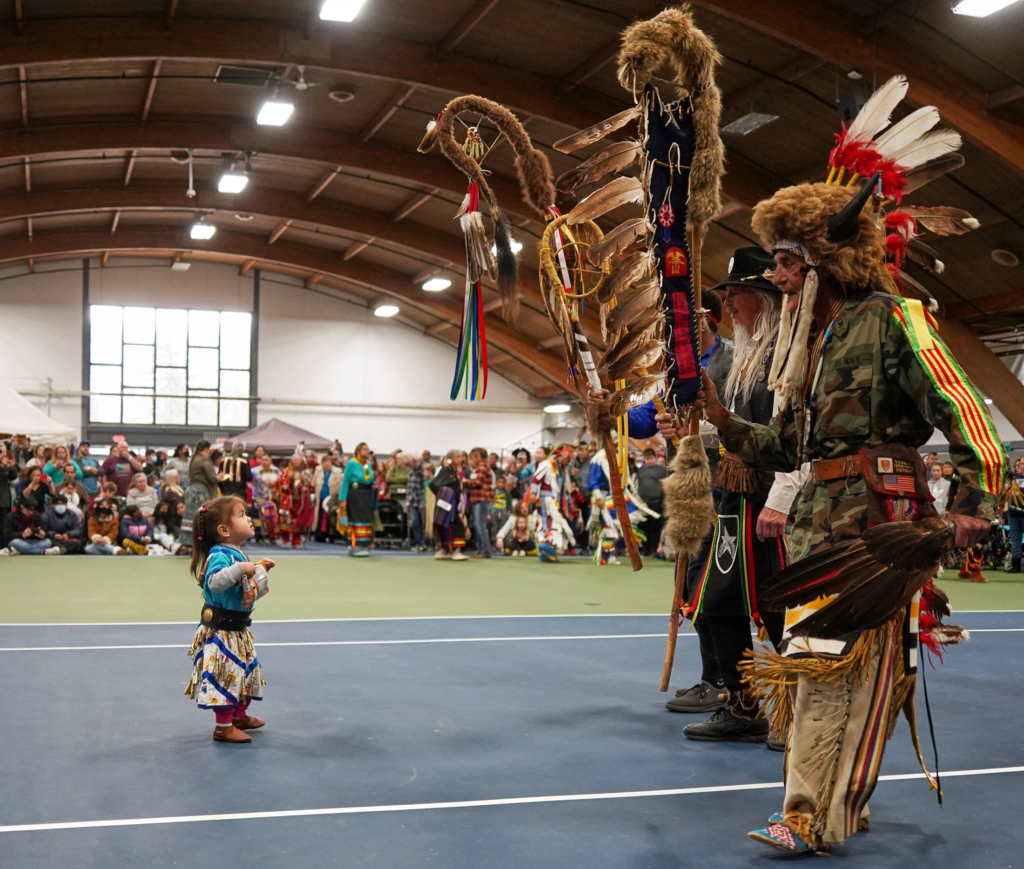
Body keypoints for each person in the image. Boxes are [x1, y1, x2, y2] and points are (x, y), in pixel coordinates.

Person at [684, 157, 1001, 851]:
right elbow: (794, 443)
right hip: (815, 532)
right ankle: (831, 806)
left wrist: (975, 501)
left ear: (826, 261)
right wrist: (722, 419)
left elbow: (965, 409)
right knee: (826, 670)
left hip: (877, 534)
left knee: (836, 671)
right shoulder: (815, 342)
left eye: (789, 262)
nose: (779, 277)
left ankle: (807, 814)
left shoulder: (892, 319)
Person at [661, 247, 797, 741]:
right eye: (728, 294)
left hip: (772, 500)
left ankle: (791, 709)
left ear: (763, 296)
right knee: (716, 604)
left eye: (737, 293)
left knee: (782, 607)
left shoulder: (789, 350)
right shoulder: (741, 357)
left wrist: (782, 498)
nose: (730, 302)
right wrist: (693, 431)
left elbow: (793, 435)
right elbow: (733, 429)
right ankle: (743, 705)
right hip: (733, 500)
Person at [185, 496, 274, 743]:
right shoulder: (219, 554)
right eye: (242, 515)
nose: (249, 518)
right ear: (224, 530)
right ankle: (223, 727)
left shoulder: (234, 552)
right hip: (222, 631)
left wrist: (260, 570)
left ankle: (238, 716)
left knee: (243, 673)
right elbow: (214, 582)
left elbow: (245, 588)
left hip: (237, 630)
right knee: (226, 675)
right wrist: (239, 569)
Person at [430, 450, 470, 560]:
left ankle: (455, 551)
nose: (460, 458)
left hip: (457, 502)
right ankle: (443, 550)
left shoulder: (463, 471)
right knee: (444, 524)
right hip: (446, 504)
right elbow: (434, 484)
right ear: (450, 458)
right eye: (457, 456)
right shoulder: (446, 471)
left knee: (456, 524)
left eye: (461, 456)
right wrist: (445, 494)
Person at [338, 443, 376, 556]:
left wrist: (372, 485)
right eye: (364, 449)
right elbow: (345, 481)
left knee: (365, 519)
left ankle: (364, 545)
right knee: (355, 518)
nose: (367, 451)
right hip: (355, 494)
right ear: (358, 451)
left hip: (366, 495)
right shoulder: (351, 463)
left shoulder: (367, 463)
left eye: (368, 449)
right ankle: (355, 545)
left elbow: (367, 478)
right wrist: (343, 499)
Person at [180, 440, 218, 549]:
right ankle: (200, 542)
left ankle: (187, 542)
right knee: (201, 517)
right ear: (206, 449)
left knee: (190, 516)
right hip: (200, 492)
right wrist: (219, 478)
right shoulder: (204, 460)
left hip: (191, 490)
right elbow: (212, 478)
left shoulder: (194, 458)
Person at [275, 450, 315, 549]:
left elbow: (311, 485)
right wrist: (285, 487)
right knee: (286, 520)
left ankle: (296, 541)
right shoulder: (286, 471)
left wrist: (306, 489)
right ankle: (285, 539)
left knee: (299, 521)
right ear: (292, 461)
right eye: (295, 460)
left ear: (302, 461)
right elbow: (279, 483)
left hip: (300, 501)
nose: (296, 461)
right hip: (288, 500)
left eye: (298, 460)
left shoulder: (306, 472)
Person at [634, 449, 668, 557]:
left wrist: (665, 500)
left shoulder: (661, 470)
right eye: (647, 459)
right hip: (643, 504)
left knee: (655, 527)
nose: (649, 461)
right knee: (644, 527)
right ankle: (645, 549)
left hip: (656, 502)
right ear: (644, 459)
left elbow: (665, 486)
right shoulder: (640, 470)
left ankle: (654, 549)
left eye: (651, 458)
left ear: (655, 458)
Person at [466, 448, 495, 558]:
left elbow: (477, 482)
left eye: (472, 458)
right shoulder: (478, 468)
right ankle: (480, 550)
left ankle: (486, 551)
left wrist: (466, 482)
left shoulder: (482, 467)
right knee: (478, 525)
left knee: (481, 525)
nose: (471, 460)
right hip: (478, 499)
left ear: (478, 457)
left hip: (483, 499)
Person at [312, 454, 342, 542]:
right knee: (319, 516)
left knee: (329, 515)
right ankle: (319, 534)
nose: (326, 464)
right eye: (324, 462)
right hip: (319, 496)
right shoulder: (318, 470)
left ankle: (330, 534)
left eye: (328, 462)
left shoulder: (338, 471)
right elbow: (314, 482)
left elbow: (338, 485)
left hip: (331, 498)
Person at [1004, 458, 1024, 573]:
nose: (1022, 466)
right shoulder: (1014, 479)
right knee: (1015, 539)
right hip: (1013, 514)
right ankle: (1016, 564)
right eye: (1021, 464)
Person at [405, 455, 426, 551]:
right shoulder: (411, 471)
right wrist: (408, 500)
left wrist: (423, 501)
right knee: (414, 522)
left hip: (420, 501)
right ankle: (419, 543)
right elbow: (409, 486)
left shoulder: (422, 471)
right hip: (412, 501)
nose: (410, 462)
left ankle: (425, 543)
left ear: (417, 460)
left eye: (412, 460)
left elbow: (424, 488)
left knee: (423, 523)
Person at [0, 447, 19, 531]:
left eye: (5, 451)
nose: (3, 454)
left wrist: (11, 467)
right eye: (1, 451)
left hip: (3, 500)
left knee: (3, 525)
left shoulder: (5, 465)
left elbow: (13, 477)